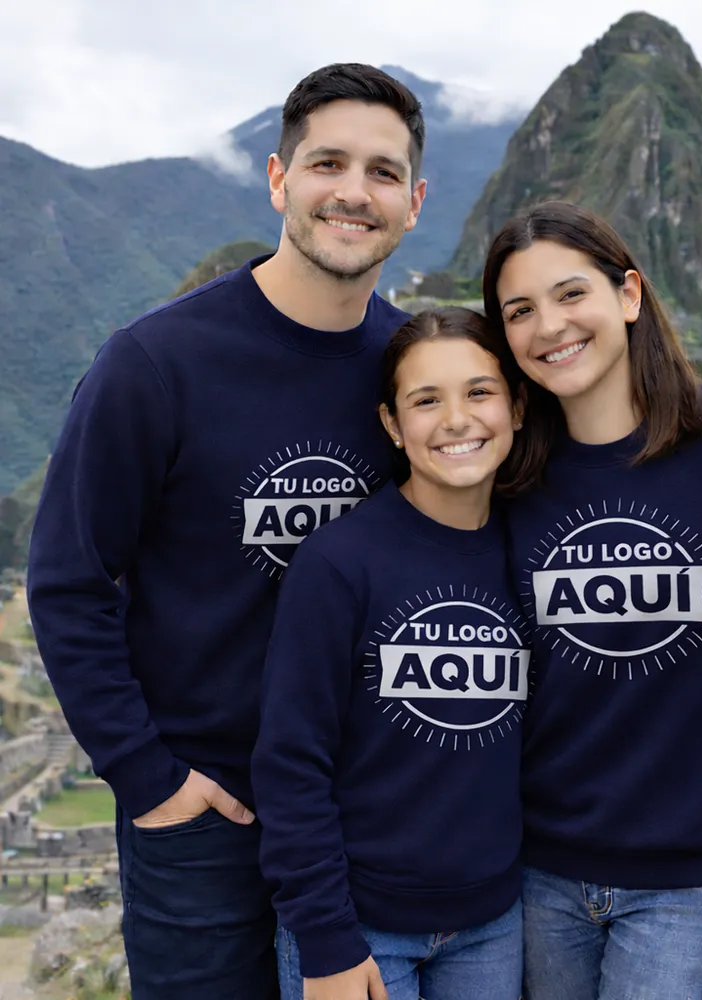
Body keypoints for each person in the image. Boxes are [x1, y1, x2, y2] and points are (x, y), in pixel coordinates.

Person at [25, 63, 426, 1000]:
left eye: (382, 172)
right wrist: (150, 781)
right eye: (327, 163)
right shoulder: (156, 364)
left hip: (368, 808)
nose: (354, 191)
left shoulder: (415, 374)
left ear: (413, 203)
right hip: (209, 814)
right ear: (280, 179)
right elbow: (68, 580)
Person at [481, 201, 702, 1000]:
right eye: (520, 311)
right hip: (540, 871)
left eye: (570, 294)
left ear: (628, 294)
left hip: (692, 879)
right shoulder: (503, 474)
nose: (550, 326)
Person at [252, 307, 528, 1000]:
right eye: (426, 401)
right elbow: (291, 761)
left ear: (517, 408)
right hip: (360, 927)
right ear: (392, 424)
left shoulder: (532, 558)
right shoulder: (340, 564)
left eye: (479, 392)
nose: (457, 420)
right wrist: (326, 940)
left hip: (493, 924)